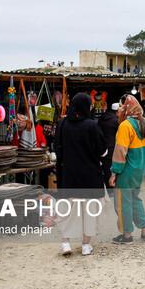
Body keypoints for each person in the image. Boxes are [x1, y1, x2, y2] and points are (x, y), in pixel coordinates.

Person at [55, 93, 107, 256]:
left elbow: (57, 149)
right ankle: (85, 246)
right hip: (90, 177)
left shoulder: (62, 124)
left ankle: (66, 244)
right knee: (90, 213)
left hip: (69, 177)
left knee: (67, 212)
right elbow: (103, 151)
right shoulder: (92, 125)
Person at [109, 94, 145, 244]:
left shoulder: (125, 126)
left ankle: (126, 235)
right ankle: (144, 230)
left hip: (127, 170)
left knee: (123, 202)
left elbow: (120, 152)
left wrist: (115, 172)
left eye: (122, 105)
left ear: (128, 107)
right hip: (140, 169)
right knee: (136, 199)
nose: (120, 108)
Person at [97, 103, 119, 188]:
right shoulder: (115, 121)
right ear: (117, 111)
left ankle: (107, 186)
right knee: (112, 168)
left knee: (106, 168)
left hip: (103, 147)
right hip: (112, 147)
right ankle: (112, 186)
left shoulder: (101, 118)